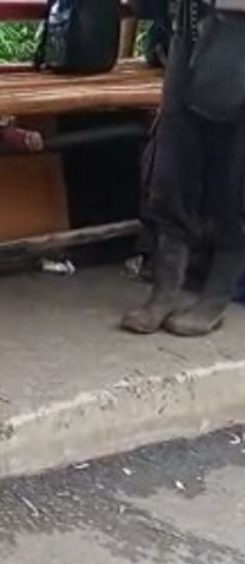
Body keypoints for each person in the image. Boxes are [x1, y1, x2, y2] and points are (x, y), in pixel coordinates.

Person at [122, 0, 245, 336]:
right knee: (174, 164)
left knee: (235, 176)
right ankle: (164, 290)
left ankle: (215, 296)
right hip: (192, 25)